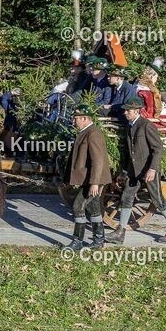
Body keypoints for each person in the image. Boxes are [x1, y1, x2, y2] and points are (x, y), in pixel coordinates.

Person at [108, 96, 166, 244]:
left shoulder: (146, 126)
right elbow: (129, 152)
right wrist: (124, 172)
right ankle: (120, 232)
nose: (125, 113)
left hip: (148, 169)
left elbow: (158, 149)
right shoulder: (130, 126)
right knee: (126, 197)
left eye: (128, 111)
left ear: (136, 111)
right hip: (133, 171)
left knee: (157, 199)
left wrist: (152, 169)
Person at [63, 102, 111, 250]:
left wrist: (94, 183)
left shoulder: (93, 133)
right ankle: (99, 239)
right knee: (94, 209)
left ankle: (77, 241)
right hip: (88, 179)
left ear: (84, 118)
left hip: (93, 180)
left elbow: (98, 160)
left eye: (76, 118)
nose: (74, 121)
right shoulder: (85, 132)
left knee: (78, 206)